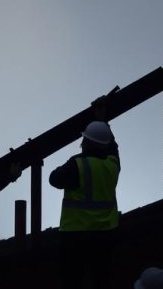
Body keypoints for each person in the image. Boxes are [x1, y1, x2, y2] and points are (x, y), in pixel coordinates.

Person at [49, 120, 121, 287]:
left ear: (87, 142)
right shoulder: (113, 163)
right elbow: (113, 146)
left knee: (72, 280)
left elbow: (54, 179)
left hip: (76, 235)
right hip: (105, 234)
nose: (81, 143)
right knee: (100, 279)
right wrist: (103, 121)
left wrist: (74, 159)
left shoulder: (77, 164)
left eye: (84, 139)